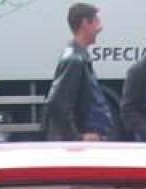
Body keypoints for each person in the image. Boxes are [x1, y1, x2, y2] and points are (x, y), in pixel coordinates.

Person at [42, 3, 118, 141]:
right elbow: (57, 104)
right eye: (96, 22)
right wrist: (78, 138)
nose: (100, 28)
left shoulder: (78, 57)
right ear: (85, 23)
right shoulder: (74, 60)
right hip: (79, 149)